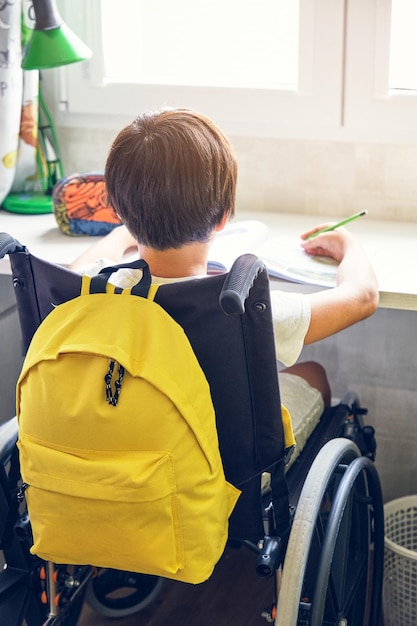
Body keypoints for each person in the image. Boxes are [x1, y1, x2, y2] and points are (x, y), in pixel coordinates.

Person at [69, 107, 379, 455]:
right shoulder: (247, 309)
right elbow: (363, 296)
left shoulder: (91, 286)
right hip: (217, 477)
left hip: (119, 451)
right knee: (314, 375)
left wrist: (129, 229)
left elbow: (75, 268)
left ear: (117, 210)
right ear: (222, 220)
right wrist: (348, 245)